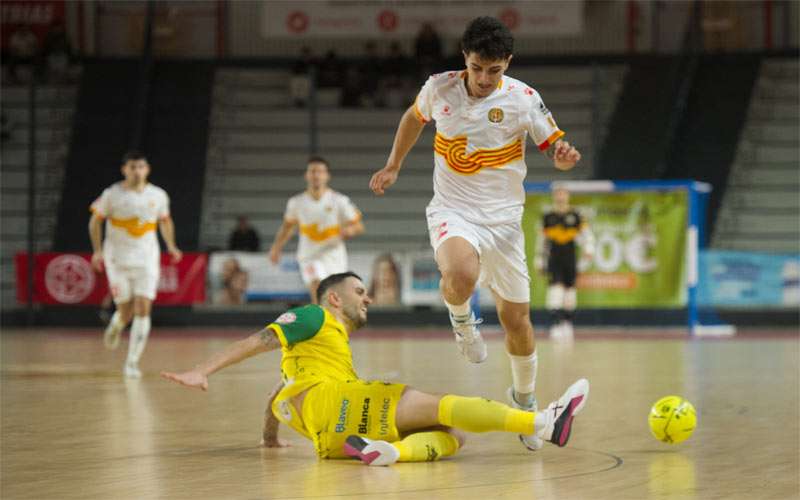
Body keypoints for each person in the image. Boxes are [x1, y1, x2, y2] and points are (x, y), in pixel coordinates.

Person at [368, 16, 582, 450]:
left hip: (504, 221)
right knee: (460, 276)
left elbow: (555, 151)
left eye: (494, 70)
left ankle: (524, 403)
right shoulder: (439, 88)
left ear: (507, 64)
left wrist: (563, 157)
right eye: (477, 67)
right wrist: (393, 164)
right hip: (453, 209)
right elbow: (413, 118)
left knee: (517, 321)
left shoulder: (524, 99)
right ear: (465, 59)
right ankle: (463, 323)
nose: (484, 79)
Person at [161, 272, 589, 465]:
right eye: (359, 292)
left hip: (329, 438)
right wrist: (203, 370)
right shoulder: (314, 316)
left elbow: (280, 390)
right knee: (444, 405)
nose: (367, 299)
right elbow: (257, 342)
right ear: (334, 298)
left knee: (452, 434)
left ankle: (391, 452)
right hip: (337, 401)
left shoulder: (317, 353)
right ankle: (541, 423)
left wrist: (268, 437)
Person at [89, 151, 182, 378]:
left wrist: (171, 246)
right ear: (125, 170)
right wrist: (97, 251)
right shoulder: (111, 194)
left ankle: (131, 362)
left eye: (141, 166)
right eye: (132, 167)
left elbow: (165, 222)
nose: (137, 171)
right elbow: (95, 222)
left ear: (147, 169)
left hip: (147, 259)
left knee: (143, 307)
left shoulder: (158, 195)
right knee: (126, 311)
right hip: (117, 259)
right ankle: (117, 324)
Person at [268, 156, 364, 303]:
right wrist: (276, 248)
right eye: (312, 171)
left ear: (327, 176)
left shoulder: (339, 200)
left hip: (334, 255)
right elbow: (287, 228)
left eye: (320, 171)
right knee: (317, 287)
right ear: (306, 175)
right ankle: (321, 325)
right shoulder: (296, 203)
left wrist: (350, 231)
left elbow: (359, 226)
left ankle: (333, 324)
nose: (316, 175)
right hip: (309, 256)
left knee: (334, 297)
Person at [535, 186, 594, 340]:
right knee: (555, 291)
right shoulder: (548, 217)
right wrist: (539, 260)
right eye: (558, 194)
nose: (561, 197)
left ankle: (567, 323)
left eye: (563, 194)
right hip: (554, 258)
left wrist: (588, 249)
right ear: (554, 197)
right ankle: (556, 324)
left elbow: (587, 235)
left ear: (568, 196)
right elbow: (542, 241)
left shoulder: (576, 216)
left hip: (571, 258)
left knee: (570, 293)